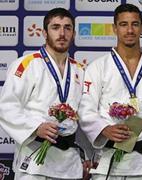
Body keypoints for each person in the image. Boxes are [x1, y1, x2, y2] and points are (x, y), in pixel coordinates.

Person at [78, 3, 142, 180]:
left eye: (135, 24)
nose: (130, 30)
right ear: (114, 28)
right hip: (108, 161)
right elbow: (85, 110)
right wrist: (104, 129)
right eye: (124, 24)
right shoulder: (98, 67)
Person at [0, 8, 88, 180]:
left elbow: (84, 116)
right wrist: (36, 127)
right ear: (44, 32)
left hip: (69, 164)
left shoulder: (80, 70)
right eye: (55, 27)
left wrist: (90, 155)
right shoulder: (27, 65)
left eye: (67, 28)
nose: (62, 33)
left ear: (74, 33)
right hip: (34, 163)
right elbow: (8, 107)